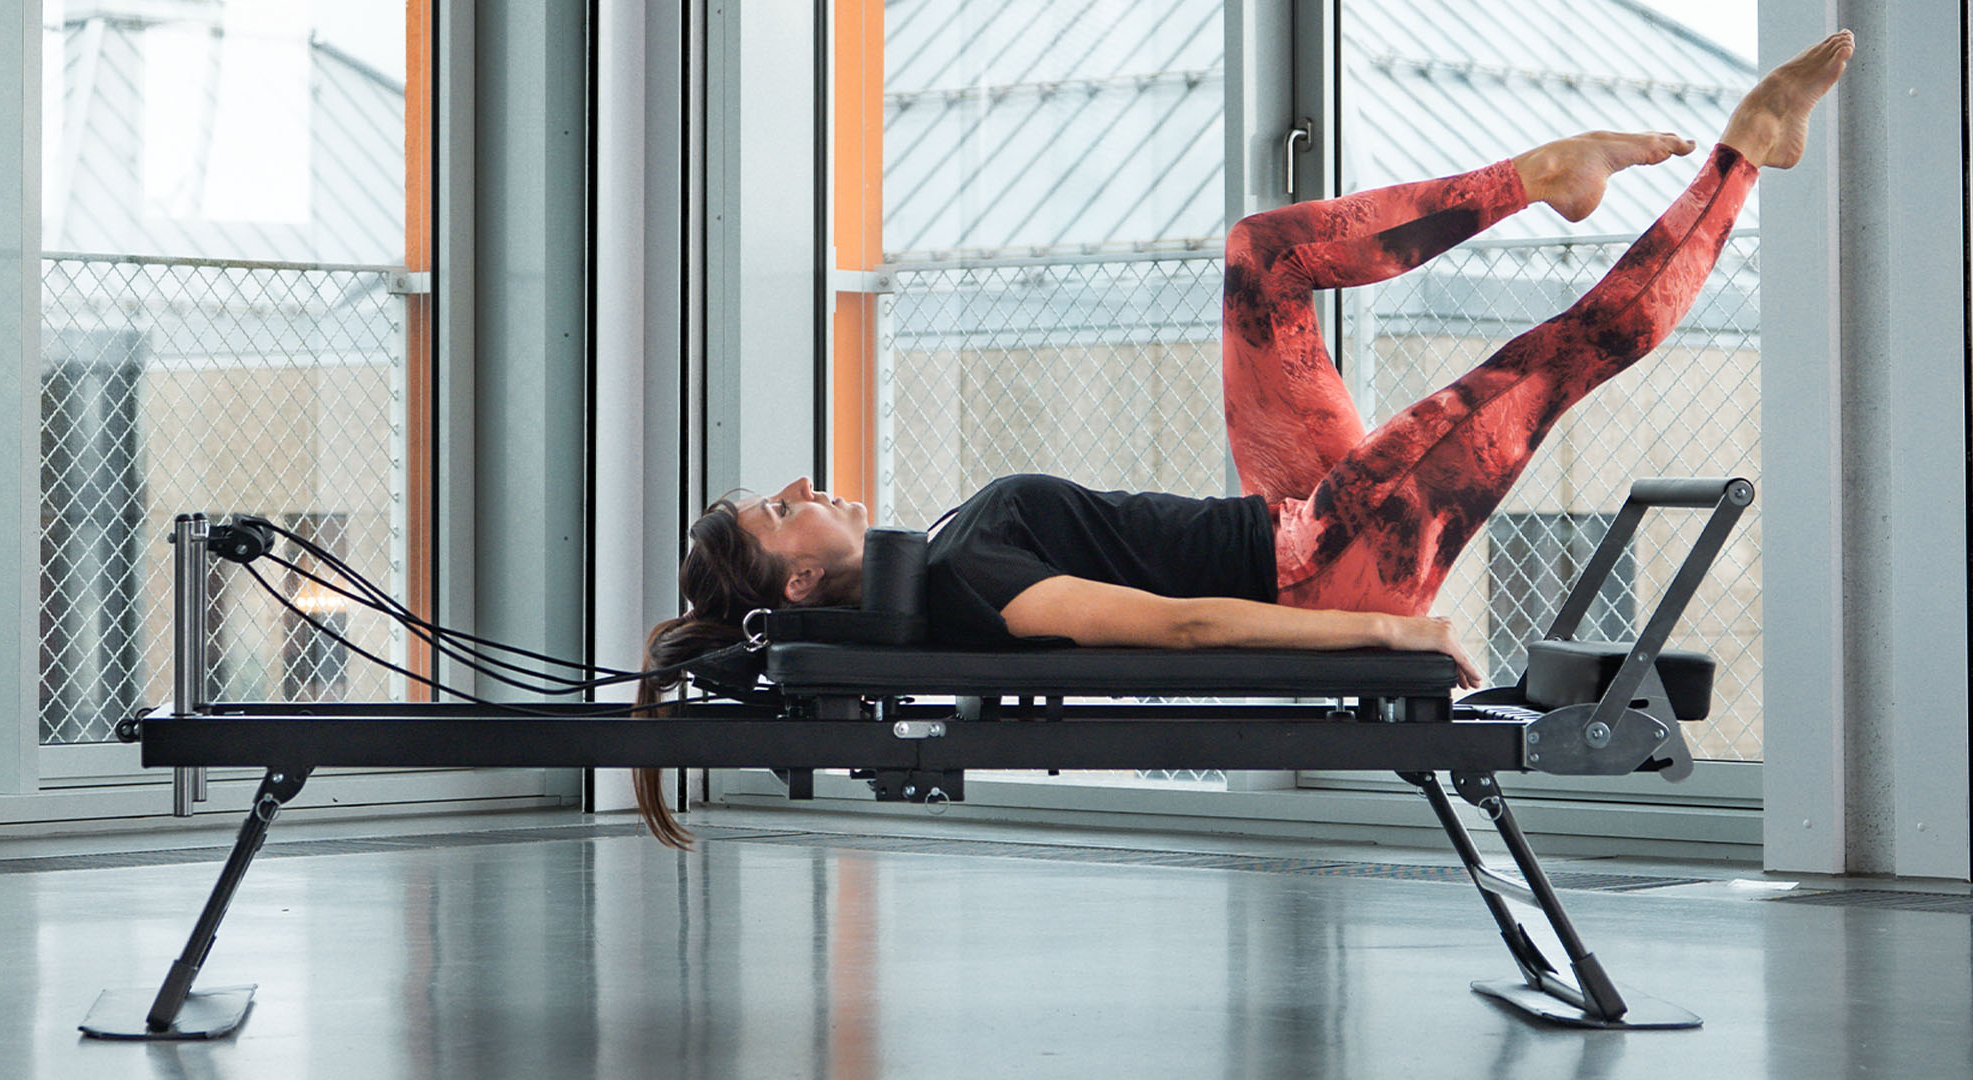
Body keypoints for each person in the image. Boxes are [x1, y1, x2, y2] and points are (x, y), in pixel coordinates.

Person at [632, 31, 1855, 847]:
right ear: (799, 578)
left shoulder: (946, 552)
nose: (804, 485)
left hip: (1289, 515)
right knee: (1560, 352)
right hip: (1328, 565)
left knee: (1260, 255)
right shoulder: (967, 578)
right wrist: (1384, 629)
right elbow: (1180, 628)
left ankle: (1539, 176)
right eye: (779, 509)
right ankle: (1748, 153)